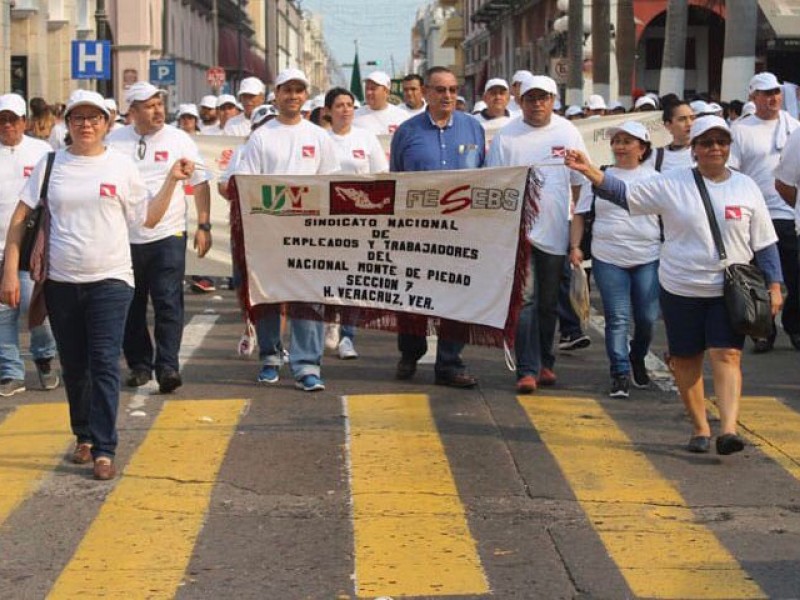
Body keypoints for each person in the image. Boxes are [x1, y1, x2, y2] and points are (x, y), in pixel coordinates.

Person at [0, 89, 195, 479]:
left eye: (93, 118)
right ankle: (84, 436)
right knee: (75, 364)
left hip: (111, 280)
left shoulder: (120, 166)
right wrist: (10, 269)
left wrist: (172, 181)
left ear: (106, 123)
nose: (85, 125)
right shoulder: (50, 163)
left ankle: (105, 447)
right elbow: (22, 217)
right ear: (67, 124)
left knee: (105, 361)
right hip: (61, 281)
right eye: (77, 119)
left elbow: (147, 219)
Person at [565, 115, 783, 455]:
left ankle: (727, 430)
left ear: (729, 148)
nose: (715, 148)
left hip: (729, 290)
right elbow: (625, 195)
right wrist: (590, 171)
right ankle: (699, 426)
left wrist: (774, 284)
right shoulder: (671, 183)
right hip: (681, 288)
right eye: (706, 142)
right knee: (685, 360)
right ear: (694, 149)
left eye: (721, 142)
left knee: (727, 354)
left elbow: (765, 242)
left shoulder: (746, 186)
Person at [236, 68, 340, 391]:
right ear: (276, 95)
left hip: (310, 235)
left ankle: (307, 364)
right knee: (268, 296)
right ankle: (269, 358)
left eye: (298, 90)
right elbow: (247, 184)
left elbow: (330, 184)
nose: (293, 96)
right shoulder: (261, 137)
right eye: (286, 90)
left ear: (306, 97)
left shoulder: (319, 137)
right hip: (268, 233)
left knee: (307, 297)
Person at [106, 81, 212, 394]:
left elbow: (201, 182)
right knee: (131, 305)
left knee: (167, 301)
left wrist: (203, 225)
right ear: (132, 111)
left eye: (159, 104)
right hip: (125, 237)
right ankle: (140, 365)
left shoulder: (179, 139)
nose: (157, 111)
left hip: (168, 232)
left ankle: (167, 367)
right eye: (148, 106)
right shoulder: (115, 141)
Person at [486, 75, 588, 393]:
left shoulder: (568, 132)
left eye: (543, 98)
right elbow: (494, 183)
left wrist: (575, 238)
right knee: (526, 301)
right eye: (531, 98)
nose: (537, 104)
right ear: (520, 101)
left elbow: (580, 182)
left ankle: (546, 362)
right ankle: (527, 369)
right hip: (520, 234)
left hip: (556, 232)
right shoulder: (507, 136)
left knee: (548, 303)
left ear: (553, 100)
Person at [390, 66, 485, 388]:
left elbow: (486, 177)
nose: (447, 96)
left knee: (456, 296)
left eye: (453, 90)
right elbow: (396, 182)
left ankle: (449, 363)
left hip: (462, 232)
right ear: (426, 93)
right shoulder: (406, 131)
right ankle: (410, 351)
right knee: (413, 298)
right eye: (440, 90)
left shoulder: (474, 129)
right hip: (417, 232)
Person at [569, 121, 660, 398]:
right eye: (616, 141)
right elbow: (581, 215)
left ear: (642, 148)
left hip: (647, 256)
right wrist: (575, 246)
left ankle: (637, 356)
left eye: (627, 141)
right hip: (608, 257)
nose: (620, 146)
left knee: (646, 318)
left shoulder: (656, 178)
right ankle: (619, 372)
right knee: (618, 318)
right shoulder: (598, 177)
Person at [730, 72, 800, 353]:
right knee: (761, 278)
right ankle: (764, 331)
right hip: (756, 215)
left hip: (788, 215)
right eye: (765, 93)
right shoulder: (740, 130)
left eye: (776, 92)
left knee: (795, 276)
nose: (772, 97)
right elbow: (733, 172)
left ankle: (794, 326)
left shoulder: (794, 127)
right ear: (753, 96)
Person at [322, 87, 389, 360]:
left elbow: (381, 175)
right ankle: (330, 323)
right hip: (326, 221)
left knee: (353, 278)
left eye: (350, 104)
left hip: (359, 220)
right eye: (339, 105)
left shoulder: (366, 138)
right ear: (328, 111)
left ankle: (349, 336)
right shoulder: (320, 139)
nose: (346, 110)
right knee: (328, 274)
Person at [0, 93, 59, 396]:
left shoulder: (42, 152)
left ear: (25, 121)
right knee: (2, 312)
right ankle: (11, 371)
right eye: (2, 119)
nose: (7, 125)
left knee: (31, 306)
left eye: (13, 119)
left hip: (28, 246)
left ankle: (45, 356)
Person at [354, 70, 409, 136]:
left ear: (386, 91)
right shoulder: (354, 116)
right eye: (367, 88)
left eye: (373, 89)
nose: (368, 92)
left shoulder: (402, 116)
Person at [646, 100, 695, 172]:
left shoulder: (705, 152)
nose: (689, 124)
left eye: (692, 118)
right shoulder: (656, 156)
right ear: (668, 125)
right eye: (682, 119)